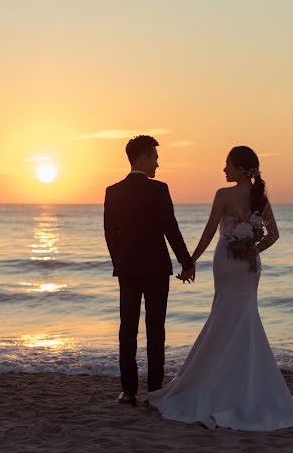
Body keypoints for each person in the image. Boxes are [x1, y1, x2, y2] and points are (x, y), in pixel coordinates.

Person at [148, 145, 293, 430]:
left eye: (227, 165)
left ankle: (216, 380)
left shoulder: (223, 195)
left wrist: (190, 261)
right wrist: (254, 249)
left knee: (223, 316)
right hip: (248, 266)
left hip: (226, 263)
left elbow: (210, 232)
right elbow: (275, 235)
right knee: (244, 318)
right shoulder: (260, 198)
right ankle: (243, 382)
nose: (224, 170)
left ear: (239, 168)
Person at [103, 135, 194, 406]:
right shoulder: (159, 189)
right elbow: (171, 229)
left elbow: (110, 234)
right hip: (156, 267)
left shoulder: (113, 191)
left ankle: (128, 392)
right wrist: (186, 262)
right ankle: (154, 391)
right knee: (156, 328)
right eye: (154, 157)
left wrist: (119, 261)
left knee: (127, 329)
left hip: (128, 268)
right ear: (141, 158)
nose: (158, 162)